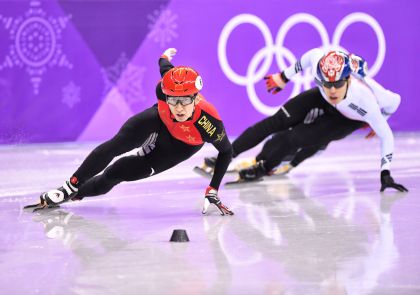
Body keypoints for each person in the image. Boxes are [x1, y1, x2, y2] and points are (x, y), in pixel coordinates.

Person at [27, 48, 234, 215]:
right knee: (116, 145)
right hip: (159, 121)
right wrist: (163, 57)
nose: (179, 107)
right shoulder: (164, 89)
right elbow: (164, 68)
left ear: (196, 98)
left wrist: (213, 189)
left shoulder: (208, 122)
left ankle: (78, 194)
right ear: (165, 94)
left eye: (185, 101)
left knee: (117, 172)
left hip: (179, 146)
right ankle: (68, 188)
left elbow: (226, 152)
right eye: (173, 100)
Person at [202, 48, 407, 192]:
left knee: (294, 138)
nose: (333, 90)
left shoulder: (367, 99)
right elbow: (311, 55)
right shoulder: (321, 65)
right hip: (321, 100)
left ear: (349, 79)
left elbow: (394, 109)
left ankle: (264, 168)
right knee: (276, 122)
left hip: (346, 119)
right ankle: (229, 154)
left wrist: (385, 172)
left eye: (337, 84)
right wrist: (284, 76)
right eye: (327, 83)